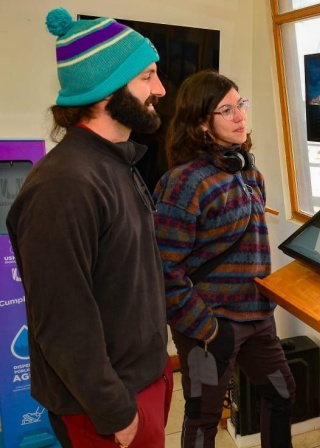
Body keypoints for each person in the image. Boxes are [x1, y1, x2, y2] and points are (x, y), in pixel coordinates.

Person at [6, 8, 172, 448]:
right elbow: (62, 319)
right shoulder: (64, 185)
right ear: (106, 91)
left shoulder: (117, 162)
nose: (160, 89)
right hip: (103, 407)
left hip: (142, 381)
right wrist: (112, 409)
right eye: (148, 77)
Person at [153, 70, 295, 448]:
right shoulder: (184, 183)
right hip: (208, 328)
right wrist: (209, 328)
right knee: (203, 419)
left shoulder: (251, 174)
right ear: (201, 123)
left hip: (258, 319)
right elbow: (164, 270)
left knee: (282, 394)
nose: (240, 116)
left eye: (240, 105)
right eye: (226, 110)